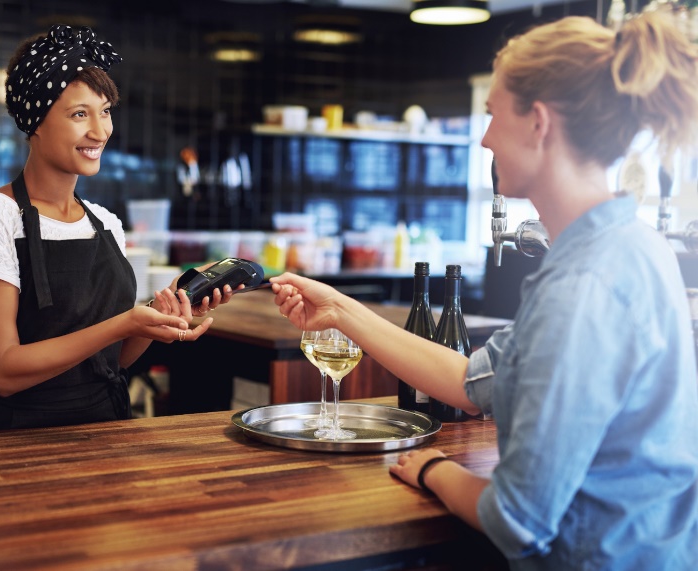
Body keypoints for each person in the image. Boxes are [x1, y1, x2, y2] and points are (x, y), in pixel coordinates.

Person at [271, 12, 698, 570]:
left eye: (494, 113)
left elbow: (516, 520)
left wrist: (432, 468)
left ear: (539, 123)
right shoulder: (627, 246)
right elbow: (472, 381)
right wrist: (339, 309)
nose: (484, 136)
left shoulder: (584, 286)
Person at [0, 25, 235, 431]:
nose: (100, 132)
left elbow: (114, 358)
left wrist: (160, 315)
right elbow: (4, 370)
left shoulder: (105, 223)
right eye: (79, 114)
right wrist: (125, 322)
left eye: (105, 111)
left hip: (110, 430)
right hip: (23, 444)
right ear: (36, 122)